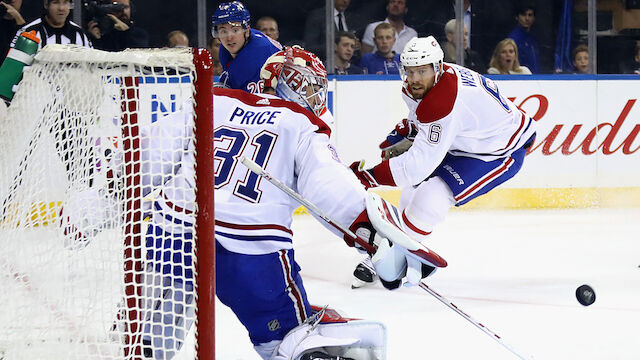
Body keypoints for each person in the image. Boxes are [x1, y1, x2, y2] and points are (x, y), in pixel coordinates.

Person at [215, 45, 435, 359]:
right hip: (250, 246)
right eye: (308, 85)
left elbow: (151, 149)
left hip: (172, 233)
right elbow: (329, 187)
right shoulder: (303, 124)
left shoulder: (215, 101)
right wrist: (371, 234)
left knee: (151, 330)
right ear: (287, 83)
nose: (315, 94)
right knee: (292, 338)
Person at [349, 36, 536, 289]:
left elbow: (415, 167)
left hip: (500, 151)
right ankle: (399, 247)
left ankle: (396, 256)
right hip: (466, 139)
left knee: (430, 196)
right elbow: (422, 120)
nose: (414, 78)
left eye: (422, 71)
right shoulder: (423, 85)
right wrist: (410, 130)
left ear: (437, 67)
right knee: (413, 191)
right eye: (410, 71)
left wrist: (367, 177)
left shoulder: (444, 100)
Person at [213, 1, 281, 94]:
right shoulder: (225, 49)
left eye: (235, 30)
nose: (229, 37)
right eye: (223, 31)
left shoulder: (256, 53)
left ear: (247, 31)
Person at [12, 0, 91, 50]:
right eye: (56, 2)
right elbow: (14, 68)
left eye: (65, 2)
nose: (61, 8)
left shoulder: (79, 33)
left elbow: (91, 65)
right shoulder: (28, 32)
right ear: (46, 4)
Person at [507, 3, 540, 74]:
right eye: (524, 15)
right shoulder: (513, 38)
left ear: (534, 18)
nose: (527, 18)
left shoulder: (533, 37)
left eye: (530, 15)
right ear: (517, 17)